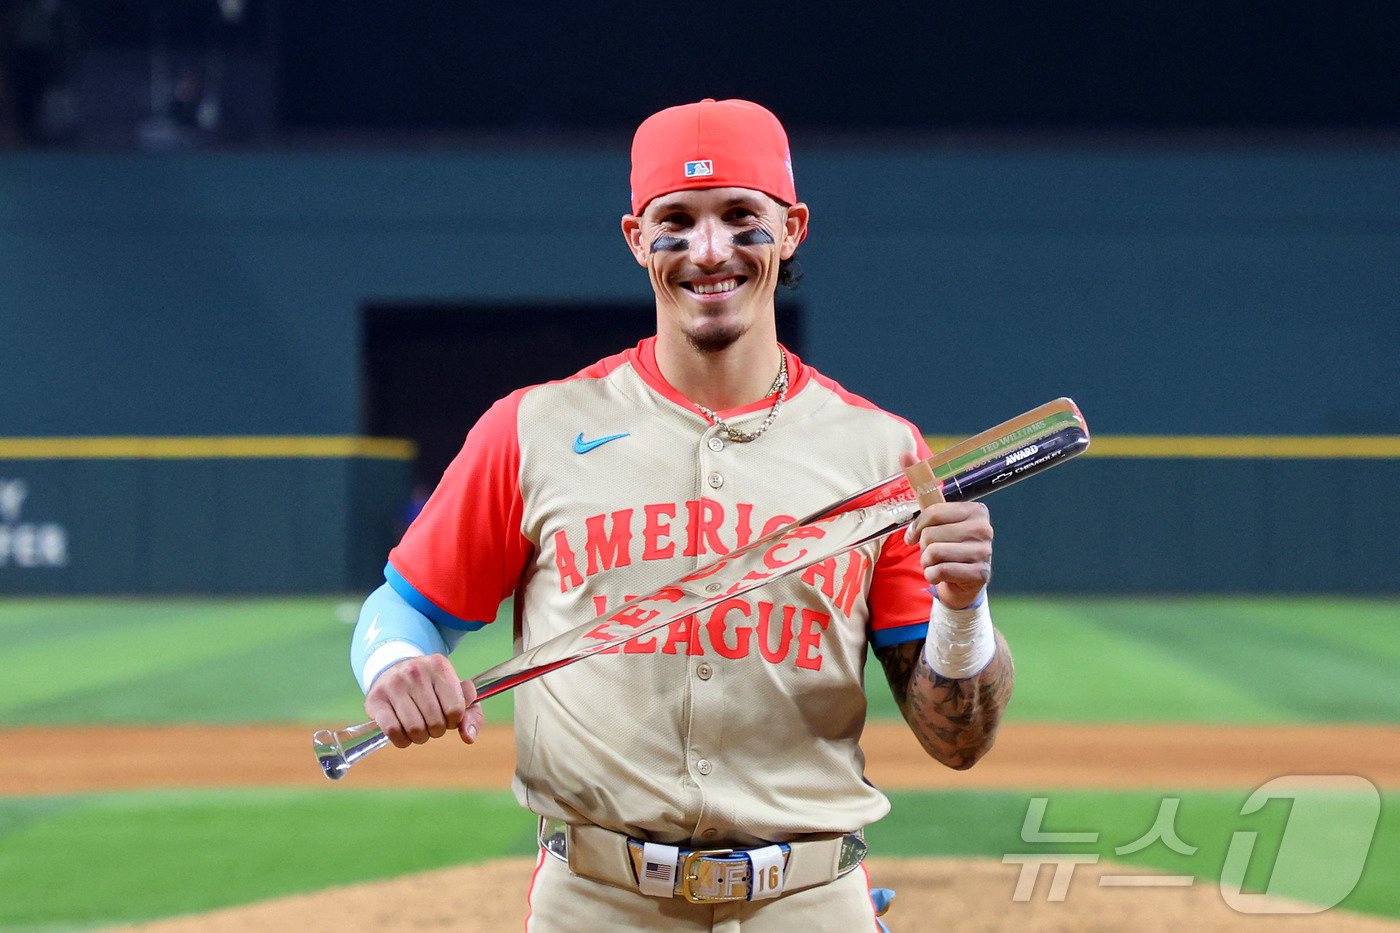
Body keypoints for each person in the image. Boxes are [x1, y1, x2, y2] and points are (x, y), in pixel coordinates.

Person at [350, 98, 1014, 931]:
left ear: (793, 227)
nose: (710, 251)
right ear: (636, 237)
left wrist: (963, 610)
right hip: (597, 901)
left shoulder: (883, 453)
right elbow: (403, 607)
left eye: (742, 217)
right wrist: (393, 662)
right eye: (678, 221)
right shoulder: (534, 430)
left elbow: (959, 740)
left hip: (809, 901)